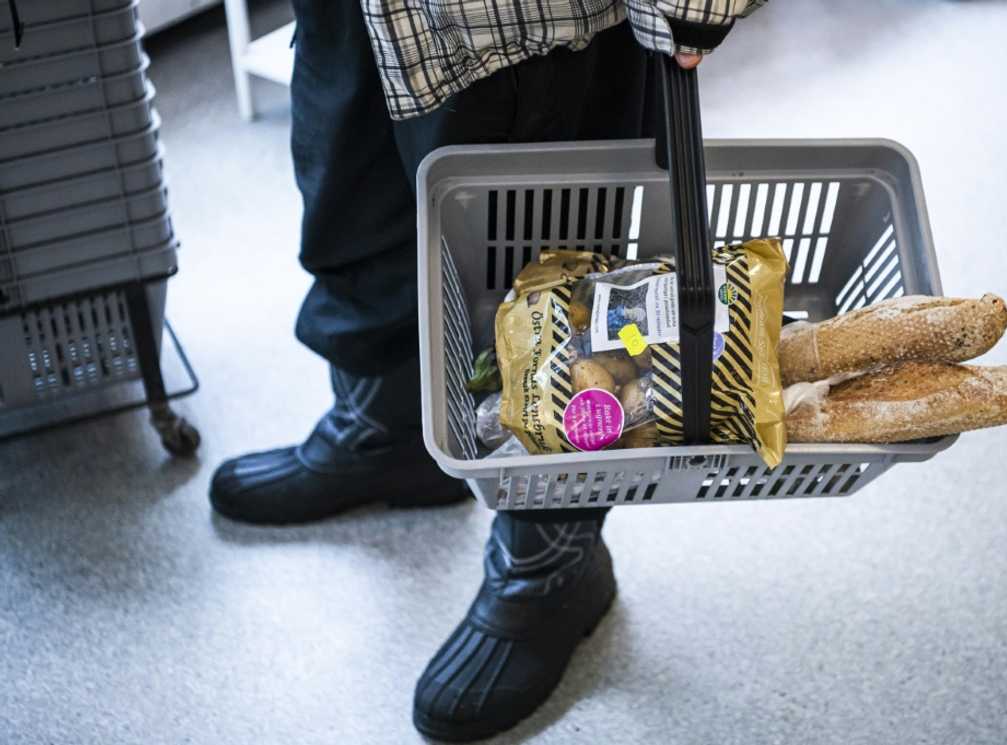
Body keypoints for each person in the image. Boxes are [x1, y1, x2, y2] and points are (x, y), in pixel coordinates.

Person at [209, 0, 768, 739]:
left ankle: (551, 557)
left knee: (533, 283)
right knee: (356, 188)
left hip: (525, 19)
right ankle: (392, 428)